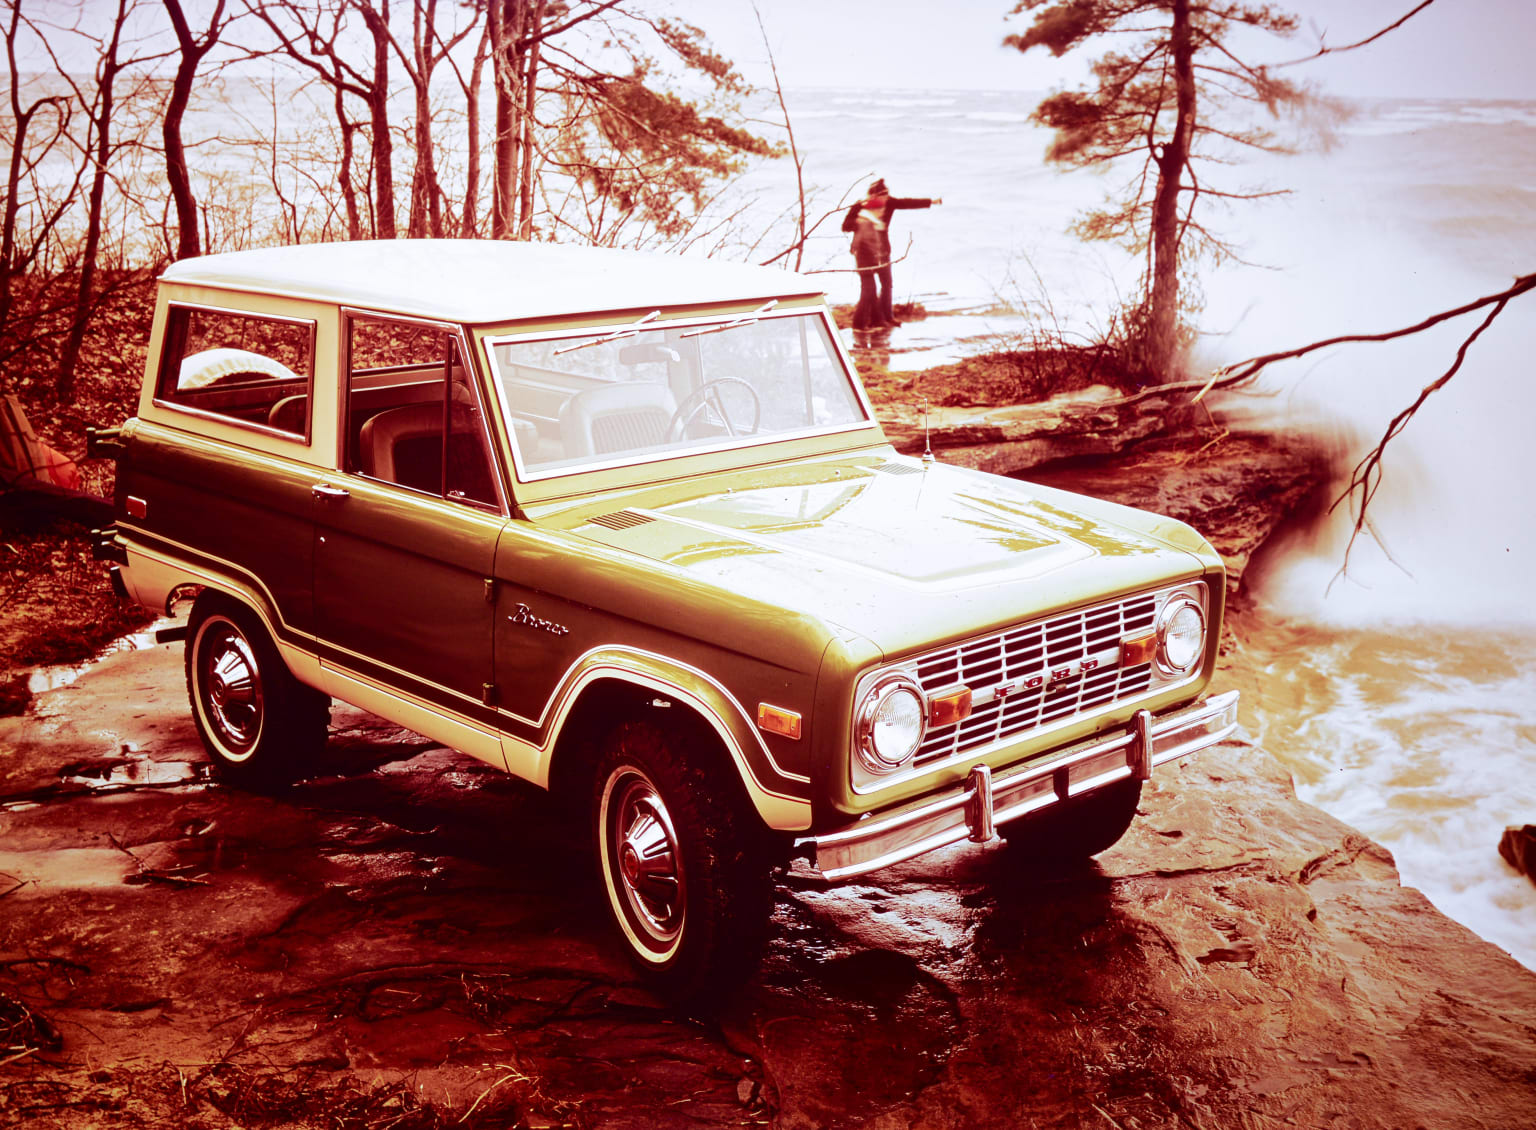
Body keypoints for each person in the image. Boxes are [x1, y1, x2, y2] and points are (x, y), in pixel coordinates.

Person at [841, 178, 942, 331]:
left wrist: (931, 202)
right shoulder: (860, 206)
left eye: (886, 195)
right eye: (882, 196)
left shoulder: (889, 202)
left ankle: (886, 318)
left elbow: (907, 203)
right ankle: (860, 324)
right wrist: (862, 223)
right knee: (869, 289)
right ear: (872, 196)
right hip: (863, 251)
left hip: (882, 250)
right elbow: (845, 226)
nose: (885, 199)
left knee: (887, 284)